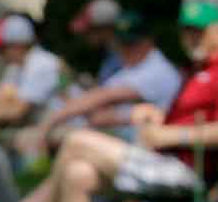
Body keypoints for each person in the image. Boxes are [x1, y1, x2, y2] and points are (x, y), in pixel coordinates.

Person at [0, 2, 218, 202]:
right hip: (162, 161)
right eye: (187, 32)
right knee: (78, 173)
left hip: (188, 173)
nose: (191, 39)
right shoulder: (193, 71)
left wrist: (172, 133)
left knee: (77, 141)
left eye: (199, 32)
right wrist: (154, 117)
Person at [20, 11, 181, 153]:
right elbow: (97, 105)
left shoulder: (157, 70)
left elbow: (101, 98)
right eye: (122, 43)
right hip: (114, 135)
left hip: (142, 145)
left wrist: (47, 124)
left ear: (148, 40)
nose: (124, 49)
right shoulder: (129, 65)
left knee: (69, 141)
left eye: (131, 43)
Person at [0, 14, 64, 133]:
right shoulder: (16, 67)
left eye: (1, 49)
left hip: (66, 126)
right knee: (4, 92)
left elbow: (17, 111)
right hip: (42, 126)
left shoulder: (42, 63)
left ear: (18, 46)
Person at [69, 0, 122, 82]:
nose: (85, 36)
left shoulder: (124, 59)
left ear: (106, 30)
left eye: (88, 31)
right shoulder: (110, 54)